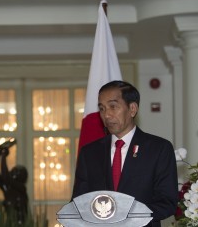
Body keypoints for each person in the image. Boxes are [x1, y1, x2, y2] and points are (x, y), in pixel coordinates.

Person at [72, 80, 178, 227]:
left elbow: (167, 202)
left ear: (132, 108)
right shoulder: (89, 153)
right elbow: (78, 203)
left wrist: (128, 215)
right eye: (102, 109)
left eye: (113, 107)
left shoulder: (159, 149)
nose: (106, 115)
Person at [0, 139, 29, 225]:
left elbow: (6, 177)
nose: (13, 173)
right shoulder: (6, 187)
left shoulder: (21, 188)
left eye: (16, 172)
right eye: (13, 171)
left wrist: (4, 156)